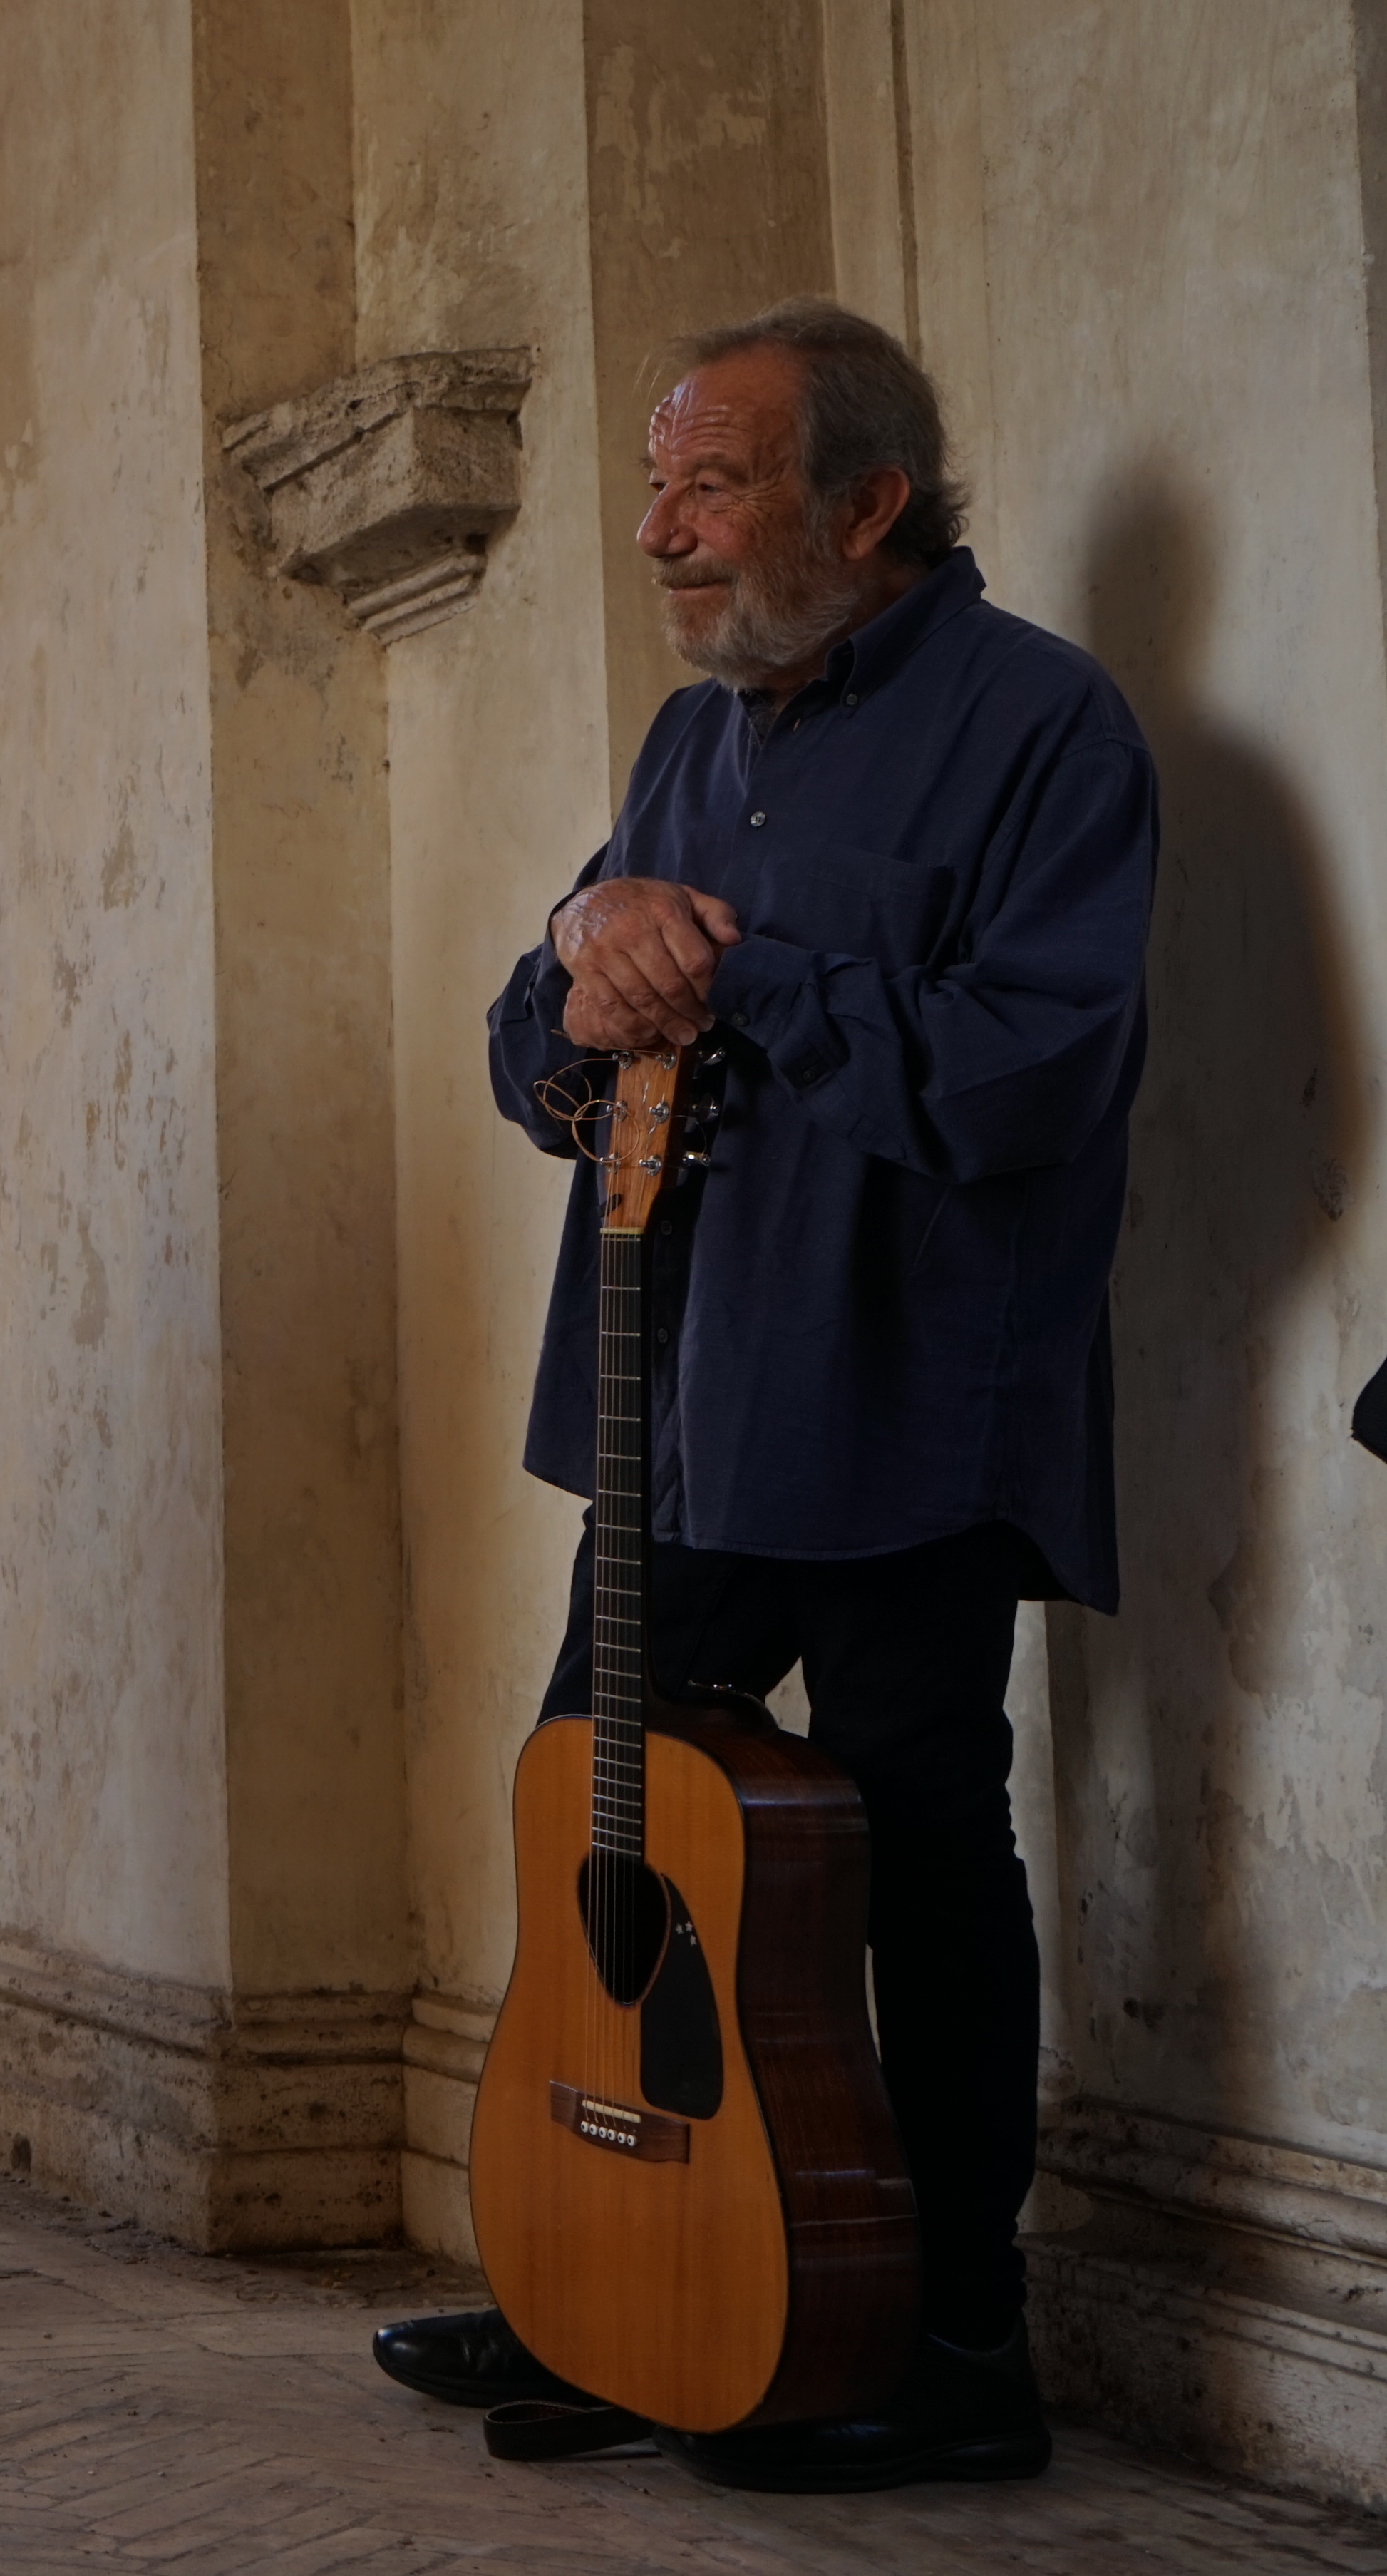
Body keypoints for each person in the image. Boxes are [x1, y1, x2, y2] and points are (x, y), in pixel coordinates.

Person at [376, 302, 1157, 2493]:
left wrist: (742, 975)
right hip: (677, 1390)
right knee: (597, 1815)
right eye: (658, 488)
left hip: (910, 1399)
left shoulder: (1047, 730)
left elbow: (1029, 1076)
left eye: (707, 486)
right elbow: (549, 1044)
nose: (658, 533)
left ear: (866, 502)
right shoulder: (690, 738)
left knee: (917, 1852)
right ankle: (619, 2275)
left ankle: (961, 2343)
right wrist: (580, 967)